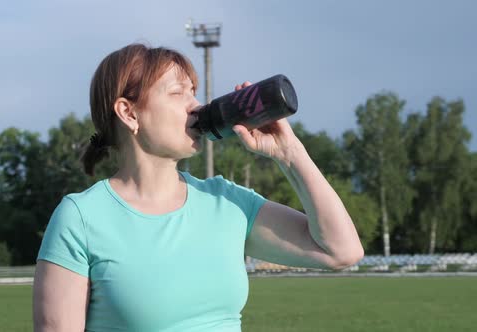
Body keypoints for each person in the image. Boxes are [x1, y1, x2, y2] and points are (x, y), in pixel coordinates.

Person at [32, 43, 364, 332]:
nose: (196, 105)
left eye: (194, 92)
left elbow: (341, 251)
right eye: (178, 93)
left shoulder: (226, 202)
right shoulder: (82, 218)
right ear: (128, 113)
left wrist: (290, 153)